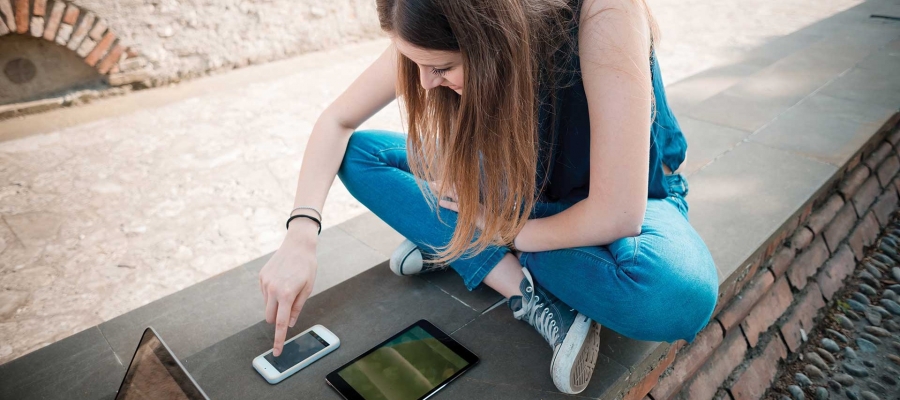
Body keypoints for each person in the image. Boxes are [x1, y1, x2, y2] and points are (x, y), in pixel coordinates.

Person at [259, 0, 719, 394]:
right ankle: (524, 289)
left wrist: (499, 229)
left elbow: (617, 214)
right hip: (512, 191)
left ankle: (462, 243)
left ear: (493, 36)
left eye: (442, 68)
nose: (424, 85)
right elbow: (338, 121)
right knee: (362, 155)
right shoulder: (429, 18)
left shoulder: (604, 15)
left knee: (677, 298)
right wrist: (300, 235)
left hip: (623, 206)